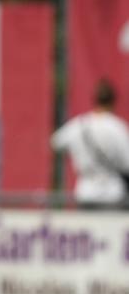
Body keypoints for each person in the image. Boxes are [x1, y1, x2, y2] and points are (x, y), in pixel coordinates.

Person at [51, 79, 129, 207]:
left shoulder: (79, 125)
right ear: (113, 101)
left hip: (86, 190)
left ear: (95, 100)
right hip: (113, 192)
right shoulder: (118, 127)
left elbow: (56, 142)